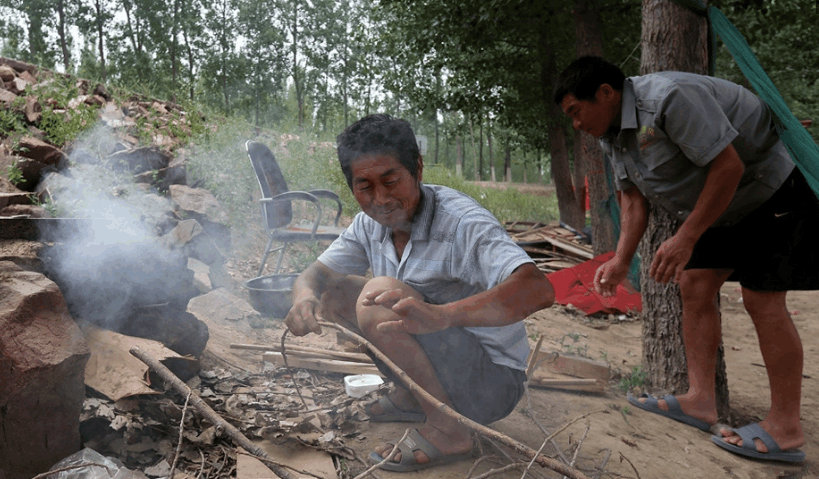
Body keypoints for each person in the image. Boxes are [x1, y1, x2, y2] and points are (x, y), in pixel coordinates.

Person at [553, 55, 818, 463]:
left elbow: (728, 165)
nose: (576, 124)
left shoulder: (671, 99)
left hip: (770, 189)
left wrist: (687, 236)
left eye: (576, 111)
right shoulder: (611, 134)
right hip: (720, 205)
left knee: (761, 300)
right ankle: (700, 400)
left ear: (606, 93)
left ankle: (785, 427)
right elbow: (633, 199)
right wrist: (622, 259)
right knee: (694, 285)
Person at [284, 114, 555, 472]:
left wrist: (445, 315)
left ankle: (450, 429)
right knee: (336, 292)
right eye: (364, 186)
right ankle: (415, 394)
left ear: (418, 169)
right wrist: (303, 297)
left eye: (391, 181)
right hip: (449, 365)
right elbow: (316, 274)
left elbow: (539, 289)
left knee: (377, 295)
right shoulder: (369, 224)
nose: (380, 199)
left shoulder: (462, 223)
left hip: (490, 383)